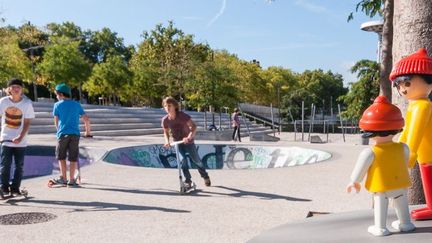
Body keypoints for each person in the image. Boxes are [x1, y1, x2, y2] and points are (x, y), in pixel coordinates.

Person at [347, 96, 415, 236]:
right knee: (402, 202)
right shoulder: (403, 147)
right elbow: (406, 162)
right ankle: (405, 223)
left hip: (382, 187)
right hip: (401, 183)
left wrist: (354, 182)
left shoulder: (370, 152)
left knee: (380, 204)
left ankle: (380, 227)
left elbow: (360, 170)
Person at [389, 48, 432, 220]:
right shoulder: (415, 105)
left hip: (427, 152)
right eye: (399, 85)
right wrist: (401, 143)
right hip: (425, 153)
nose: (403, 89)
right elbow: (408, 128)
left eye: (407, 84)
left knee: (429, 178)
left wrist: (410, 151)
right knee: (427, 179)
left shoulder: (422, 106)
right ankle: (430, 206)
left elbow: (417, 129)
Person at [161, 96, 211, 187]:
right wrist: (167, 141)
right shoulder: (165, 120)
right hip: (178, 143)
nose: (167, 108)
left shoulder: (182, 116)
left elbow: (194, 126)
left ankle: (205, 176)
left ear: (175, 106)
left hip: (189, 142)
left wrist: (189, 137)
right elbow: (166, 132)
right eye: (165, 106)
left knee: (197, 160)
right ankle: (188, 180)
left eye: (169, 105)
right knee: (182, 161)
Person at [50, 83, 91, 187]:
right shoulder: (76, 104)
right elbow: (86, 119)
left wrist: (58, 131)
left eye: (56, 95)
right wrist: (87, 132)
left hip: (63, 134)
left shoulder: (57, 105)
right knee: (73, 158)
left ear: (61, 94)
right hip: (75, 135)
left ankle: (63, 178)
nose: (56, 97)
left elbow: (56, 121)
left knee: (61, 156)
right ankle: (71, 180)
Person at [0, 78, 35, 196]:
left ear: (22, 90)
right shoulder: (3, 102)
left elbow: (27, 122)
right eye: (13, 87)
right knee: (5, 165)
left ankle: (15, 188)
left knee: (19, 165)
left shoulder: (26, 103)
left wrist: (20, 137)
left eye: (18, 87)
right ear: (9, 89)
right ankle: (4, 187)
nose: (16, 89)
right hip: (6, 138)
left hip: (21, 140)